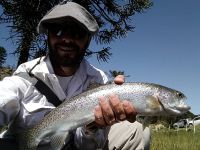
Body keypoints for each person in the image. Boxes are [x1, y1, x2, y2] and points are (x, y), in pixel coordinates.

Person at [0, 1, 150, 150]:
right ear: (48, 35)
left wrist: (93, 127)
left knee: (135, 129)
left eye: (77, 32)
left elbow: (85, 146)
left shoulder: (97, 79)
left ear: (88, 39)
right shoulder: (26, 75)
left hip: (75, 146)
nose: (67, 39)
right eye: (58, 30)